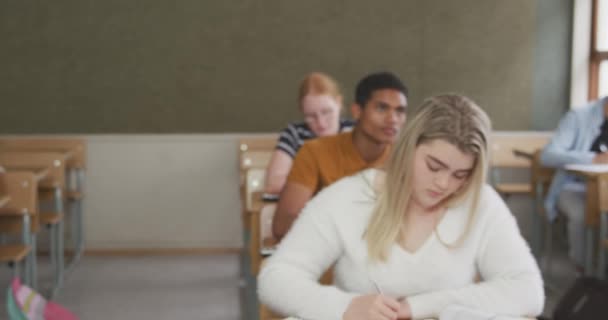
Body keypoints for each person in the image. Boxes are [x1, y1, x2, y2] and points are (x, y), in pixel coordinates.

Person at [259, 94, 544, 320]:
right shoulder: (349, 197)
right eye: (434, 166)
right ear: (408, 147)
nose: (444, 184)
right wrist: (344, 307)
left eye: (461, 174)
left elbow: (529, 291)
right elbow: (275, 279)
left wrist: (416, 307)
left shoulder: (481, 202)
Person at [272, 71, 408, 239]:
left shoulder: (407, 158)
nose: (393, 119)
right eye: (382, 108)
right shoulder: (314, 152)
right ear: (357, 111)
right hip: (328, 258)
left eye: (400, 111)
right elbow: (282, 226)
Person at [541, 96, 608, 270]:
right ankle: (584, 274)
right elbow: (548, 155)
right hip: (573, 187)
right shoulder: (579, 116)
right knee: (582, 214)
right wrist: (593, 159)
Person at [264, 72, 355, 195]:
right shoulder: (295, 133)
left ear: (339, 102)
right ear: (302, 111)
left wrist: (305, 181)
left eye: (327, 112)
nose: (321, 123)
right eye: (311, 116)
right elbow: (274, 183)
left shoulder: (356, 131)